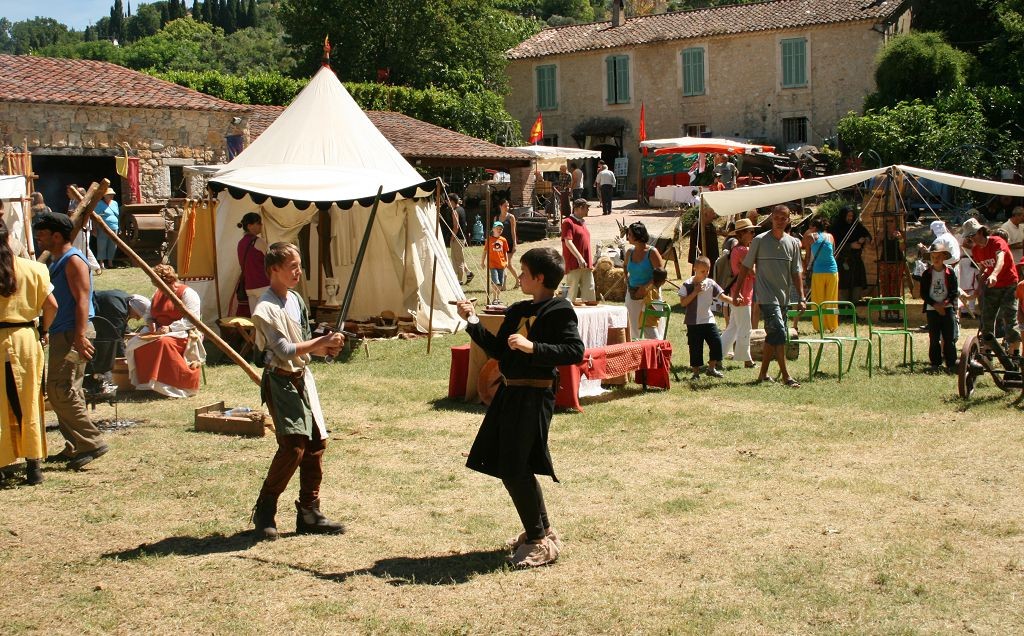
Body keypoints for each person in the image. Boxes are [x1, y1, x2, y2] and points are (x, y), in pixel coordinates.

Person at [455, 247, 585, 568]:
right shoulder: (518, 310)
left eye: (524, 273)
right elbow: (499, 350)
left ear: (539, 278)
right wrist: (472, 320)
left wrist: (533, 347)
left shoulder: (559, 310)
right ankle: (543, 531)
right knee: (514, 465)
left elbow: (574, 351)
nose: (520, 277)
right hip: (510, 395)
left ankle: (538, 542)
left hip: (535, 396)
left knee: (515, 467)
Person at [250, 242, 346, 541]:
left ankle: (309, 512)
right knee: (293, 447)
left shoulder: (296, 300)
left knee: (316, 445)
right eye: (292, 266)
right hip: (280, 381)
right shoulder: (265, 308)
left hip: (302, 379)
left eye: (299, 266)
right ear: (274, 269)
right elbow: (284, 350)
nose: (298, 272)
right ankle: (265, 510)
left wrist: (327, 348)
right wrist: (322, 342)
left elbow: (303, 344)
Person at [32, 211, 106, 469]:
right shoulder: (57, 261)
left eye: (42, 234)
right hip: (63, 331)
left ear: (56, 236)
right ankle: (75, 445)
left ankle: (91, 442)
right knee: (67, 390)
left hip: (73, 331)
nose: (38, 238)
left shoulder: (73, 260)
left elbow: (83, 299)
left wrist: (79, 336)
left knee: (59, 389)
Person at [0, 219, 57, 485]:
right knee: (29, 400)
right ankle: (33, 465)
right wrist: (44, 330)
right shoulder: (35, 269)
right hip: (25, 339)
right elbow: (52, 305)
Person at [734, 204, 806, 388]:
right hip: (766, 296)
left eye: (784, 218)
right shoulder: (759, 240)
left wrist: (802, 297)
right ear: (771, 218)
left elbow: (796, 272)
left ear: (788, 220)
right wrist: (737, 291)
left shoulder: (793, 243)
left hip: (784, 297)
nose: (780, 221)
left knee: (774, 335)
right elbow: (746, 267)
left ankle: (763, 374)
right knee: (779, 332)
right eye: (777, 217)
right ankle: (786, 376)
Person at [124, 264, 206, 398]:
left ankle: (170, 386)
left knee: (163, 343)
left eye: (161, 285)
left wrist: (171, 328)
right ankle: (146, 384)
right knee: (135, 343)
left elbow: (192, 319)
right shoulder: (158, 294)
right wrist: (151, 322)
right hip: (159, 332)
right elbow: (149, 314)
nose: (159, 288)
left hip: (183, 332)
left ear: (170, 281)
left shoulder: (188, 293)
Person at [961, 218, 1020, 356]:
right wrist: (977, 291)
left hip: (1009, 284)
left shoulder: (997, 242)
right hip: (992, 285)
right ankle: (987, 351)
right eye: (968, 236)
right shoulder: (976, 250)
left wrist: (994, 274)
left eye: (972, 235)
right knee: (987, 318)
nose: (971, 239)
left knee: (1009, 317)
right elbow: (983, 269)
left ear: (981, 231)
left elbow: (1000, 260)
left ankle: (1015, 352)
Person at [678, 256, 736, 380]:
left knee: (716, 343)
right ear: (695, 269)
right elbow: (683, 303)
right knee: (695, 348)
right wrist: (695, 291)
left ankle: (711, 368)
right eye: (703, 271)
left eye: (708, 270)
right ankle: (696, 373)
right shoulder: (687, 284)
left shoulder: (711, 283)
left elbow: (722, 297)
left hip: (708, 320)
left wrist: (734, 301)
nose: (706, 273)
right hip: (693, 322)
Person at [721, 218, 756, 368]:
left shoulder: (736, 249)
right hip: (742, 293)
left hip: (738, 291)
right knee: (744, 328)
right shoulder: (743, 250)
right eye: (751, 231)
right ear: (742, 234)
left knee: (733, 327)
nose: (753, 234)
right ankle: (746, 359)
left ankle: (717, 354)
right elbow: (753, 272)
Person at [920, 245, 959, 372]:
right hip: (932, 309)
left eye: (938, 257)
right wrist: (935, 305)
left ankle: (951, 364)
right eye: (933, 257)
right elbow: (923, 293)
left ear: (943, 257)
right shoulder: (926, 274)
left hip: (947, 308)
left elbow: (954, 291)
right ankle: (935, 363)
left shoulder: (950, 273)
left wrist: (945, 303)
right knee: (934, 338)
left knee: (949, 338)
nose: (935, 259)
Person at [623, 221, 665, 339]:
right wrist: (627, 278)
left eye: (630, 234)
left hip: (650, 294)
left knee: (651, 326)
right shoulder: (629, 252)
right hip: (632, 293)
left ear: (637, 236)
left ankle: (656, 347)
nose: (627, 237)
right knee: (633, 324)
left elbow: (661, 275)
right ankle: (635, 346)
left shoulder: (652, 252)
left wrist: (646, 287)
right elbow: (625, 266)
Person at [803, 218, 838, 332]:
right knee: (831, 299)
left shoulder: (810, 237)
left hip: (818, 271)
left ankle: (819, 326)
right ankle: (832, 325)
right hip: (832, 270)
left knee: (818, 299)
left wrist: (805, 269)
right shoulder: (830, 236)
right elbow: (833, 252)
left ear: (814, 227)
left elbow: (807, 255)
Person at [831, 206, 871, 303]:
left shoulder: (856, 226)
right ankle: (844, 308)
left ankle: (854, 307)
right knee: (843, 287)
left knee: (857, 286)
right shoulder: (836, 228)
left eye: (852, 216)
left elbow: (868, 236)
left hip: (856, 261)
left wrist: (864, 239)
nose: (850, 218)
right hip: (843, 261)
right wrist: (850, 246)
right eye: (848, 216)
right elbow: (834, 245)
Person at [561, 198, 595, 302]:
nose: (588, 210)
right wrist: (579, 258)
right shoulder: (568, 222)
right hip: (574, 264)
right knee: (571, 293)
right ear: (579, 208)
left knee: (589, 292)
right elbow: (568, 242)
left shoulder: (582, 222)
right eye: (586, 207)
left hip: (586, 264)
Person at [237, 212, 271, 315]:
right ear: (249, 226)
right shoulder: (259, 241)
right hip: (263, 284)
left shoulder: (240, 243)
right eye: (258, 223)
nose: (261, 225)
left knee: (255, 318)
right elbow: (270, 260)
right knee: (266, 317)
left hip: (249, 286)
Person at [446, 194, 472, 285]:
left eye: (448, 200)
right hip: (462, 237)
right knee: (459, 257)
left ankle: (459, 280)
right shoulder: (461, 209)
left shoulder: (454, 212)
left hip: (457, 238)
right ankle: (468, 273)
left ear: (452, 201)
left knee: (458, 260)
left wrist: (452, 238)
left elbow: (456, 227)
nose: (447, 202)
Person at [483, 221, 510, 302]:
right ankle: (494, 299)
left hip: (501, 264)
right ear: (493, 229)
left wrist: (507, 261)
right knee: (495, 282)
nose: (499, 230)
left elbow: (505, 252)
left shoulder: (503, 240)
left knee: (500, 283)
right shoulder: (489, 240)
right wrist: (482, 262)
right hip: (492, 265)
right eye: (497, 228)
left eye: (501, 229)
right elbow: (485, 251)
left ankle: (498, 298)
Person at [688, 207, 720, 273]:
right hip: (702, 260)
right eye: (712, 214)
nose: (714, 216)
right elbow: (695, 246)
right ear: (705, 214)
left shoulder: (710, 226)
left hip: (712, 258)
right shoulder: (697, 227)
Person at [496, 199, 519, 286]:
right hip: (499, 244)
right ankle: (505, 284)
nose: (507, 207)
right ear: (500, 206)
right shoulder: (496, 218)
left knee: (508, 264)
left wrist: (515, 244)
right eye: (505, 206)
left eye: (508, 206)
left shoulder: (511, 217)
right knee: (502, 264)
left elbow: (513, 232)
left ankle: (517, 280)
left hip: (509, 243)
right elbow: (495, 232)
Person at [94, 188, 119, 270]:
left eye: (112, 194)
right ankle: (101, 263)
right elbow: (94, 216)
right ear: (104, 196)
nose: (111, 196)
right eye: (109, 194)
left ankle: (110, 263)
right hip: (102, 227)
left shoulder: (115, 203)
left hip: (114, 226)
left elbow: (118, 215)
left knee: (113, 245)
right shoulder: (99, 204)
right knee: (102, 244)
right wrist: (94, 228)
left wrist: (119, 227)